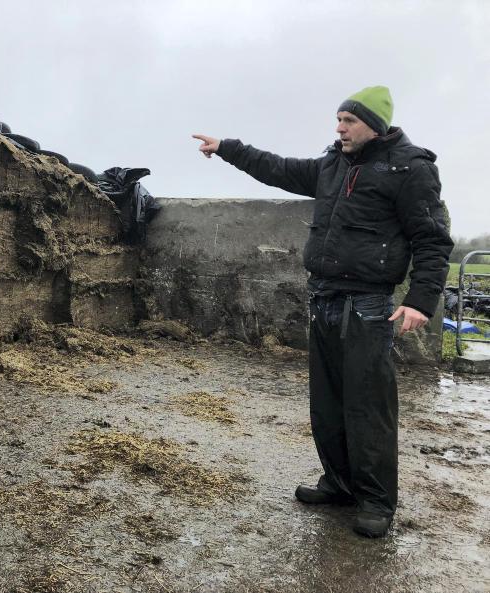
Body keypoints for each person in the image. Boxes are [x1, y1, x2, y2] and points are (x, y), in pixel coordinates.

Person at [193, 86, 453, 538]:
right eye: (338, 120)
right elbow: (278, 168)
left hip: (368, 306)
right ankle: (339, 483)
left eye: (349, 121)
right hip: (324, 299)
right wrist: (228, 148)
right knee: (328, 404)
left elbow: (432, 239)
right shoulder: (332, 164)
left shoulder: (410, 169)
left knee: (368, 407)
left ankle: (376, 501)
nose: (339, 128)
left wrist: (419, 300)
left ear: (375, 126)